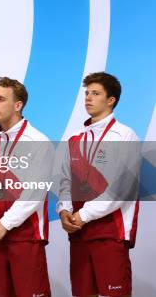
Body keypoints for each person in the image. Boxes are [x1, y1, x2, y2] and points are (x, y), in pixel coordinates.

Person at [57, 72, 140, 297]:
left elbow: (120, 189)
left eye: (95, 93)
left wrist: (83, 215)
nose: (88, 98)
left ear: (111, 100)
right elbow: (65, 180)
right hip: (78, 233)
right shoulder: (75, 138)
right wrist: (64, 209)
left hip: (110, 232)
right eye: (86, 93)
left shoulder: (124, 135)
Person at [0, 77, 53, 297]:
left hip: (25, 237)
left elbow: (35, 193)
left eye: (0, 99)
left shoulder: (38, 142)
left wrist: (5, 225)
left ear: (18, 105)